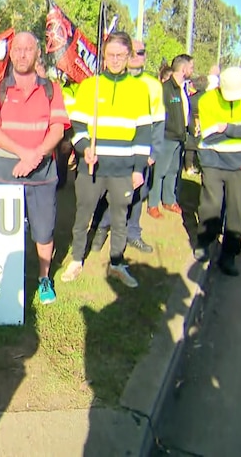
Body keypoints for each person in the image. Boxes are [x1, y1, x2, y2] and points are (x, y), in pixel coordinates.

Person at [0, 32, 70, 303]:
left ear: (37, 53)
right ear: (11, 53)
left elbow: (57, 129)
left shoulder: (51, 89)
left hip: (43, 175)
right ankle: (9, 281)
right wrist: (24, 154)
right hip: (6, 175)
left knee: (44, 232)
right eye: (17, 49)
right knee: (7, 232)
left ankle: (44, 279)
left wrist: (37, 155)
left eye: (28, 49)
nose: (22, 54)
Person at [61, 31, 152, 289]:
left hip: (123, 169)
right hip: (93, 167)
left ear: (128, 57)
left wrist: (138, 168)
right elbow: (78, 127)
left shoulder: (139, 89)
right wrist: (83, 149)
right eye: (110, 55)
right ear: (103, 56)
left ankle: (116, 262)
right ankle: (77, 258)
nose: (114, 60)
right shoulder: (90, 86)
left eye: (120, 55)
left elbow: (143, 132)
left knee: (120, 216)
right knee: (83, 214)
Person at [194, 66, 241, 275]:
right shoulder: (207, 100)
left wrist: (227, 128)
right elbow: (209, 135)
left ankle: (229, 255)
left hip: (240, 162)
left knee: (236, 210)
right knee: (211, 205)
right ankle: (204, 242)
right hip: (213, 160)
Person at [93, 40, 166, 254]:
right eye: (130, 52)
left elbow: (159, 122)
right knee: (110, 195)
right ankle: (101, 229)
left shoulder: (153, 85)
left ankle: (133, 234)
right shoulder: (106, 82)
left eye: (140, 52)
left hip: (140, 153)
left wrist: (152, 153)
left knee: (137, 196)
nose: (135, 56)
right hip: (113, 153)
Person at [148, 54, 194, 219]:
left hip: (179, 138)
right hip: (167, 137)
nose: (192, 70)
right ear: (183, 68)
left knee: (173, 170)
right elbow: (160, 116)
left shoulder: (183, 89)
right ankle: (153, 203)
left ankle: (169, 200)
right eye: (191, 67)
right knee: (160, 171)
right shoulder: (166, 89)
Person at [185, 75, 209, 174]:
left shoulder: (191, 99)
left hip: (192, 124)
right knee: (202, 147)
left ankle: (188, 167)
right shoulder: (209, 98)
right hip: (205, 126)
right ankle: (201, 166)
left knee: (190, 148)